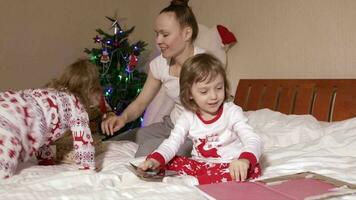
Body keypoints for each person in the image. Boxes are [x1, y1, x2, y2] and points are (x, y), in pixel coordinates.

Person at [138, 53, 262, 185]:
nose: (214, 96)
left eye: (219, 88)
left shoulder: (232, 112)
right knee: (163, 160)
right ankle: (199, 178)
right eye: (204, 91)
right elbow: (172, 143)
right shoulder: (188, 116)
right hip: (200, 165)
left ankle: (195, 182)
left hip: (230, 165)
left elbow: (253, 139)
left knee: (252, 169)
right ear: (190, 93)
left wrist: (244, 160)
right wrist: (155, 160)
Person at [101, 0, 205, 157]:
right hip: (171, 125)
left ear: (187, 34)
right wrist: (123, 118)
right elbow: (141, 102)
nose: (158, 40)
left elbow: (216, 107)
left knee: (149, 149)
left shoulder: (205, 64)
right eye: (157, 34)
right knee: (127, 139)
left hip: (196, 131)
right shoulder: (159, 64)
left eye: (165, 34)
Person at [0, 58, 100, 179]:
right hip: (12, 121)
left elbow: (42, 129)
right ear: (91, 91)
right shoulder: (77, 107)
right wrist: (87, 167)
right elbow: (83, 142)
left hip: (9, 103)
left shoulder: (49, 94)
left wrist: (45, 161)